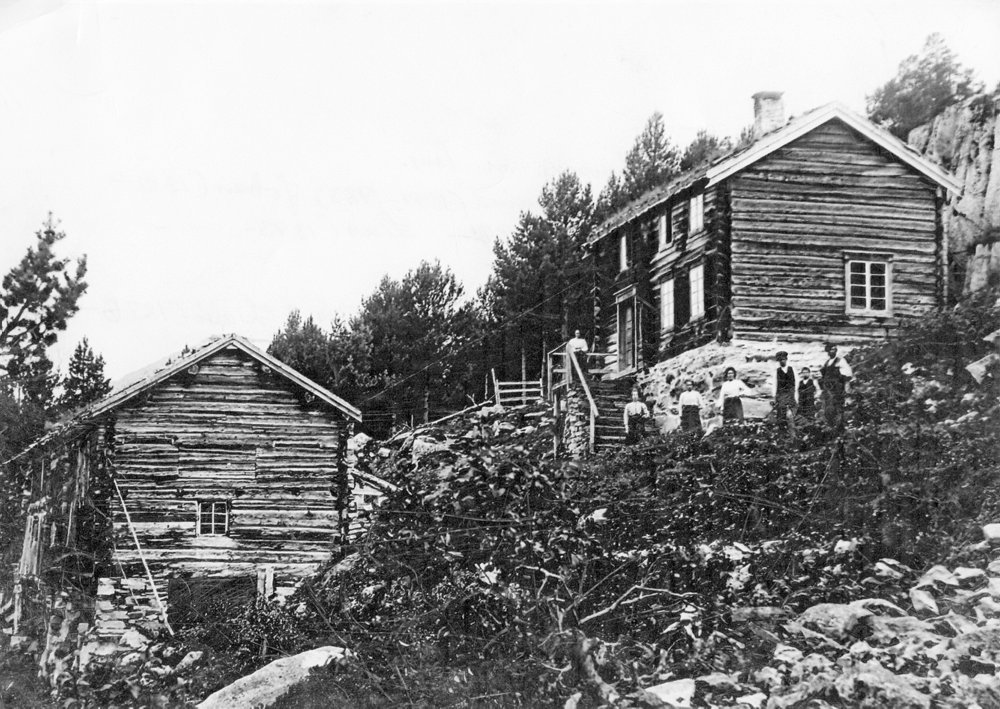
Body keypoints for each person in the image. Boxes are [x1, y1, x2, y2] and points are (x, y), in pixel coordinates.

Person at [819, 343, 853, 430]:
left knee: (838, 408)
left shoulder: (840, 361)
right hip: (828, 391)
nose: (833, 351)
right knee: (828, 409)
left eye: (834, 349)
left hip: (837, 389)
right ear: (827, 351)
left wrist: (847, 393)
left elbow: (847, 377)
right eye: (831, 349)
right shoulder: (827, 363)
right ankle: (831, 428)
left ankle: (840, 428)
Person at [774, 351, 797, 431]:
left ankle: (792, 430)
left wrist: (792, 395)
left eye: (783, 359)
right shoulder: (778, 371)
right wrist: (777, 397)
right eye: (780, 360)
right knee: (781, 413)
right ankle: (782, 430)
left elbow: (793, 384)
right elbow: (777, 385)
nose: (782, 361)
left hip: (790, 394)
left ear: (786, 359)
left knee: (791, 413)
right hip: (781, 395)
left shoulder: (791, 369)